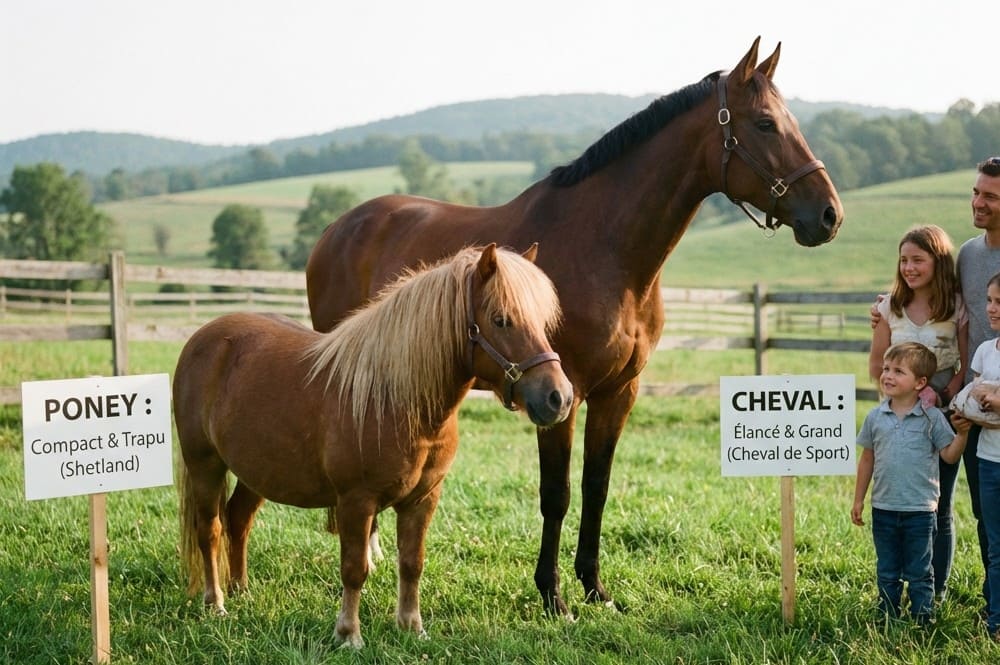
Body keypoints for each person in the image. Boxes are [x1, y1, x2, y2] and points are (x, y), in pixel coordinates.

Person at [872, 157, 1000, 614]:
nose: (978, 202)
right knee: (972, 507)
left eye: (990, 196)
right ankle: (987, 601)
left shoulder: (965, 284)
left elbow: (957, 338)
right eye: (976, 192)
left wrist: (947, 391)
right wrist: (883, 314)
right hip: (969, 404)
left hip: (969, 398)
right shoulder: (968, 254)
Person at [868, 224, 968, 601]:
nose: (909, 268)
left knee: (938, 505)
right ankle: (893, 589)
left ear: (937, 262)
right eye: (904, 260)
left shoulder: (955, 307)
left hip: (941, 416)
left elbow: (964, 363)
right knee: (898, 504)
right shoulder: (889, 308)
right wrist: (901, 401)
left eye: (918, 260)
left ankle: (934, 589)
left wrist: (942, 395)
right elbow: (877, 365)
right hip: (899, 421)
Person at [852, 342, 970, 623]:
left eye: (898, 371)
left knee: (920, 570)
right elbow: (867, 460)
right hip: (883, 507)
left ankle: (922, 618)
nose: (888, 376)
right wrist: (858, 499)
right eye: (886, 369)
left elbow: (949, 456)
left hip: (920, 510)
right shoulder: (875, 417)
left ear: (920, 383)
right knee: (888, 569)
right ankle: (887, 615)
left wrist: (962, 436)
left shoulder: (932, 419)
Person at [966, 271, 1000, 640]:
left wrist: (993, 398)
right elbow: (976, 404)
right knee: (995, 545)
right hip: (989, 462)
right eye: (990, 300)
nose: (992, 309)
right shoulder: (983, 352)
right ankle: (996, 619)